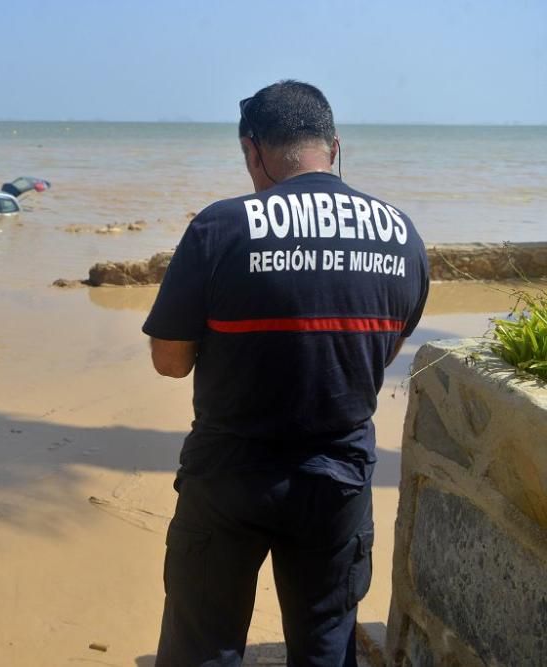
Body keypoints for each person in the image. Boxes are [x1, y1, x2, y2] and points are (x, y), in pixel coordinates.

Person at [143, 80, 428, 666]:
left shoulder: (219, 228)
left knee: (203, 645)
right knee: (326, 644)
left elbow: (169, 361)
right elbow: (385, 350)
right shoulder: (402, 235)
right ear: (335, 146)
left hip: (228, 475)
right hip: (338, 477)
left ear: (253, 150)